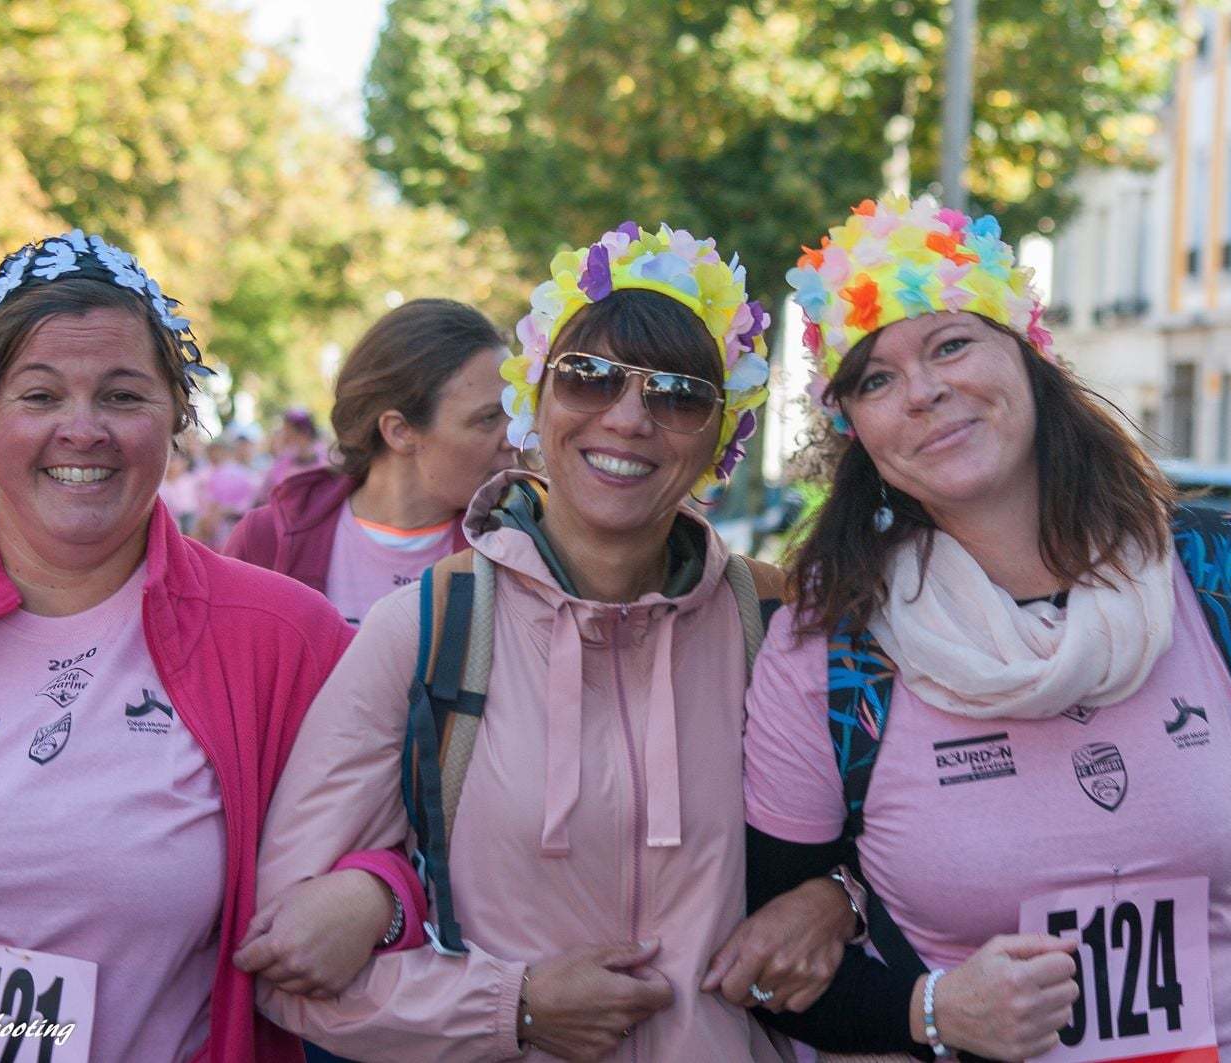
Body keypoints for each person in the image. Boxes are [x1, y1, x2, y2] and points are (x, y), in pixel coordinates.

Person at [727, 194, 1231, 1060]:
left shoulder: (1226, 581)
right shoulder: (829, 644)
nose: (925, 391)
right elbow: (772, 967)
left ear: (1028, 353)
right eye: (875, 379)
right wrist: (930, 1008)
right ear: (853, 428)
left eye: (951, 343)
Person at [237, 223, 852, 1061]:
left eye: (678, 394)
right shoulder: (426, 627)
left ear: (721, 432)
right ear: (536, 399)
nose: (629, 418)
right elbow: (282, 956)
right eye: (589, 376)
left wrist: (835, 897)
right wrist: (511, 1006)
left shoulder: (775, 620)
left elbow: (925, 851)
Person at [0, 230, 369, 1062]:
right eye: (41, 395)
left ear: (176, 416)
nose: (83, 429)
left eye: (123, 396)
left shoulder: (283, 638)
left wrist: (377, 895)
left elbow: (410, 837)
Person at [225, 299, 514, 625]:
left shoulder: (517, 548)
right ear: (399, 431)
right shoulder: (268, 541)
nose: (515, 437)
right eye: (488, 418)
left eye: (514, 414)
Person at [259, 407, 324, 500]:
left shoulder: (324, 459)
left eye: (288, 430)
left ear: (304, 432)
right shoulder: (284, 459)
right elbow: (265, 490)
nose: (285, 435)